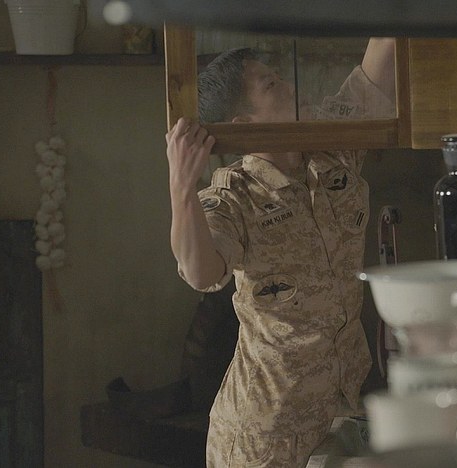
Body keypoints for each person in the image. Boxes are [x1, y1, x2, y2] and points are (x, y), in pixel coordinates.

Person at [165, 38, 396, 467]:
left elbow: (379, 63)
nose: (291, 86)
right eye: (271, 85)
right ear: (245, 124)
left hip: (338, 418)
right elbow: (200, 272)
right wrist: (182, 188)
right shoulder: (234, 196)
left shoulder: (334, 150)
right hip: (262, 438)